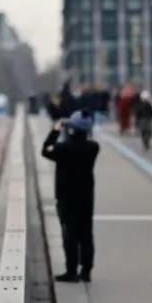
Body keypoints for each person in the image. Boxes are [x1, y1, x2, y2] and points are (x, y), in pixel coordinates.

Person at [41, 111, 100, 282]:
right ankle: (87, 270)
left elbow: (45, 150)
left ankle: (71, 271)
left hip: (66, 197)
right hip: (86, 197)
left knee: (70, 235)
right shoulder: (93, 147)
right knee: (86, 234)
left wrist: (55, 131)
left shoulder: (62, 149)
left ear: (72, 129)